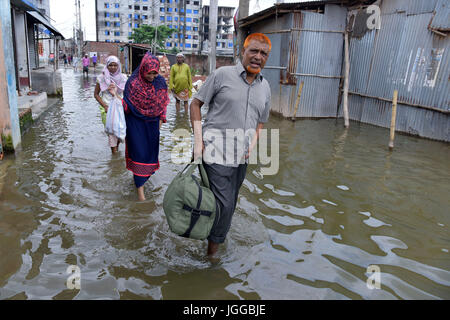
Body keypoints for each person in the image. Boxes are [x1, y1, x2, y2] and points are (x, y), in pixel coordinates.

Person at [190, 33, 272, 256]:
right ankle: (212, 256)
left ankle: (207, 237)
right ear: (242, 52)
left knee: (229, 204)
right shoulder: (222, 75)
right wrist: (198, 141)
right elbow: (195, 104)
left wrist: (253, 146)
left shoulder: (265, 88)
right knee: (224, 206)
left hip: (241, 158)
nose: (257, 57)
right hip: (213, 151)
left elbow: (260, 123)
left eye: (263, 53)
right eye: (253, 51)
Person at [122, 52, 170, 201]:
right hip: (135, 125)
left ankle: (140, 180)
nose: (152, 77)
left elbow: (162, 103)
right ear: (143, 69)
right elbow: (127, 105)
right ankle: (141, 195)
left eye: (155, 73)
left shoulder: (160, 82)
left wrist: (161, 119)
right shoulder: (133, 83)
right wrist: (117, 101)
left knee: (149, 156)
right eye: (149, 73)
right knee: (139, 154)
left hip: (152, 126)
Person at [94, 56, 128, 154]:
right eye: (110, 65)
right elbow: (96, 94)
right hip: (107, 108)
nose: (113, 67)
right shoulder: (101, 78)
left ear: (118, 66)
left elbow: (127, 95)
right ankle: (114, 155)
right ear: (107, 66)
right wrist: (104, 106)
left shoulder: (124, 78)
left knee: (119, 130)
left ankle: (116, 150)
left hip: (120, 108)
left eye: (115, 65)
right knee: (111, 132)